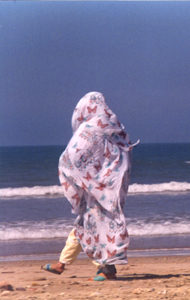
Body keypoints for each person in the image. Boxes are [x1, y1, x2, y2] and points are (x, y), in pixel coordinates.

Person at [42, 92, 137, 280]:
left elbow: (74, 155)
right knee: (87, 225)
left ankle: (107, 269)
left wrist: (82, 178)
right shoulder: (114, 127)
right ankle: (64, 264)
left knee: (97, 225)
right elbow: (122, 157)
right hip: (108, 188)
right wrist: (104, 179)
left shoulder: (90, 128)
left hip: (98, 189)